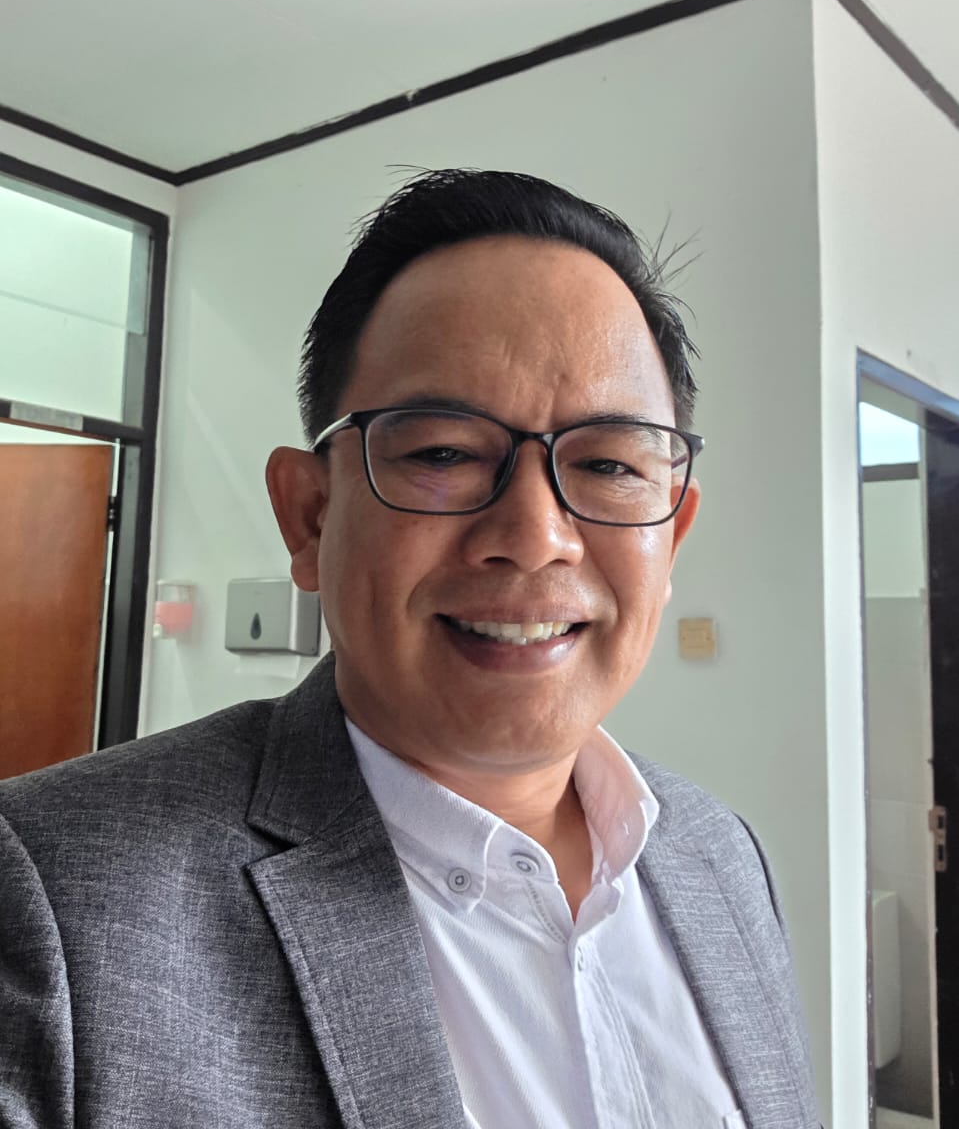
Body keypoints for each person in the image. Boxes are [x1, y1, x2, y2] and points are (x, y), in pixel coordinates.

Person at [0, 169, 818, 1129]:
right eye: (443, 453)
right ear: (310, 516)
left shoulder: (719, 853)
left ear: (670, 539)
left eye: (606, 463)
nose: (535, 536)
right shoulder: (54, 898)